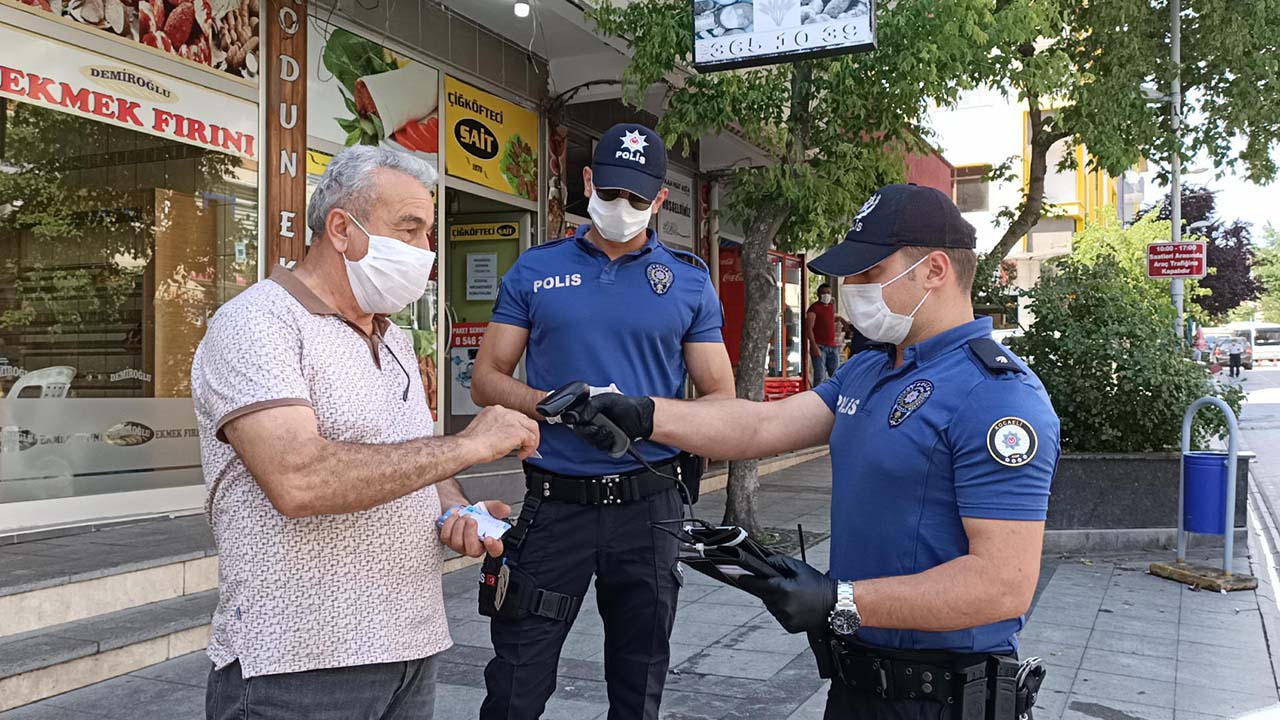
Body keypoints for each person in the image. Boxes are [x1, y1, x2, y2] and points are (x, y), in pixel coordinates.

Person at [565, 184, 1060, 720]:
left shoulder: (996, 396)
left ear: (935, 270)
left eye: (869, 273)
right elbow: (760, 426)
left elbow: (1003, 585)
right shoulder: (872, 368)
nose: (851, 287)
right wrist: (642, 414)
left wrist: (839, 600)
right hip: (855, 684)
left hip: (941, 698)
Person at [192, 145, 540, 720]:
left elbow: (418, 460)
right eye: (410, 229)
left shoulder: (395, 338)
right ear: (341, 229)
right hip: (297, 667)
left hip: (410, 649)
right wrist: (469, 443)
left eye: (428, 233)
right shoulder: (257, 324)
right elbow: (297, 479)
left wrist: (455, 511)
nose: (426, 252)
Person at [470, 123, 735, 720]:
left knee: (638, 690)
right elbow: (486, 377)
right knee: (515, 683)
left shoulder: (689, 280)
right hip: (555, 506)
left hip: (649, 509)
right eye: (611, 192)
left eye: (639, 199)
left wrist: (647, 419)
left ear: (661, 200)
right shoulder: (537, 271)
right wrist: (549, 403)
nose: (623, 208)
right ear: (587, 183)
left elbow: (721, 397)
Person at [805, 282, 843, 386]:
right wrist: (814, 346)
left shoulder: (831, 307)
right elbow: (808, 329)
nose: (826, 295)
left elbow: (830, 320)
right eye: (823, 293)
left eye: (828, 293)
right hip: (820, 347)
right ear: (818, 294)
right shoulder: (814, 308)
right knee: (820, 377)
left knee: (836, 376)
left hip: (832, 346)